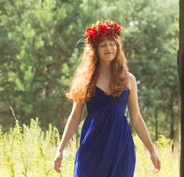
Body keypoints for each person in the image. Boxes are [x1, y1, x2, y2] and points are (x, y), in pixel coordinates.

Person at [52, 20, 161, 176]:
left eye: (112, 44)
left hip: (120, 146)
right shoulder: (86, 79)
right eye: (103, 45)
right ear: (95, 50)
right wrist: (60, 149)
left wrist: (152, 150)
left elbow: (136, 118)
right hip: (92, 144)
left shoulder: (128, 79)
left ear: (117, 47)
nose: (108, 48)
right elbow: (75, 116)